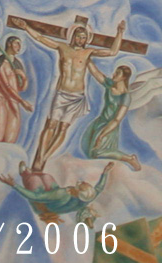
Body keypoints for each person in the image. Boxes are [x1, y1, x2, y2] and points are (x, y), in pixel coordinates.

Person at [13, 18, 125, 171]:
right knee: (50, 125)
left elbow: (113, 52)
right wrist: (26, 27)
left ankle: (44, 158)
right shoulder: (62, 47)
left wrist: (120, 33)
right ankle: (39, 157)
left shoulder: (88, 52)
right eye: (78, 36)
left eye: (84, 37)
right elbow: (40, 38)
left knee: (63, 128)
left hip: (77, 96)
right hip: (62, 93)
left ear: (87, 39)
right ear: (72, 36)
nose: (81, 40)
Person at [0, 161, 113, 226]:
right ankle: (33, 174)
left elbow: (35, 197)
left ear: (77, 191)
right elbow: (99, 187)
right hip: (53, 200)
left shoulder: (61, 194)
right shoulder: (88, 197)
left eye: (82, 184)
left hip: (42, 205)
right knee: (46, 177)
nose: (83, 182)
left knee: (34, 180)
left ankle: (25, 174)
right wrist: (105, 172)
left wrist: (13, 184)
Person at [81, 63, 141, 171]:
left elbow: (117, 120)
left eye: (118, 73)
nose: (114, 74)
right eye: (115, 72)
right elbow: (95, 72)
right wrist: (87, 58)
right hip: (99, 122)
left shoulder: (125, 97)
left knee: (97, 152)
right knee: (86, 147)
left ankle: (129, 159)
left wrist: (102, 135)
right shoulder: (110, 85)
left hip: (110, 127)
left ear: (124, 77)